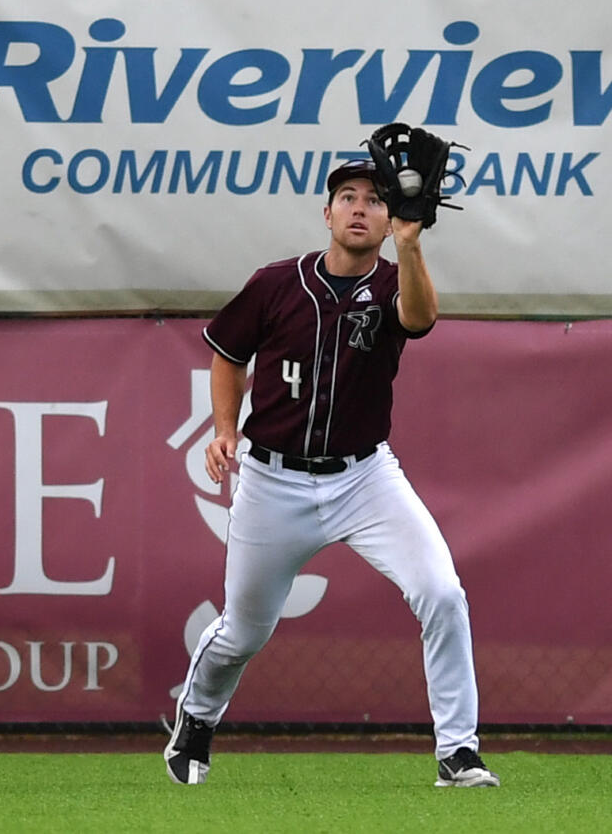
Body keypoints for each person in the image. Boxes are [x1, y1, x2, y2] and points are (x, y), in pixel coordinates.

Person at [164, 159, 500, 788]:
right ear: (326, 214)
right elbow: (229, 356)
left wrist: (410, 242)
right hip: (272, 481)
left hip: (364, 477)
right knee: (243, 632)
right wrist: (223, 429)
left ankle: (459, 751)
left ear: (387, 218)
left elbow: (421, 319)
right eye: (346, 197)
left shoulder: (399, 281)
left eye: (373, 201)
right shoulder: (275, 284)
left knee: (442, 593)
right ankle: (198, 716)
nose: (358, 208)